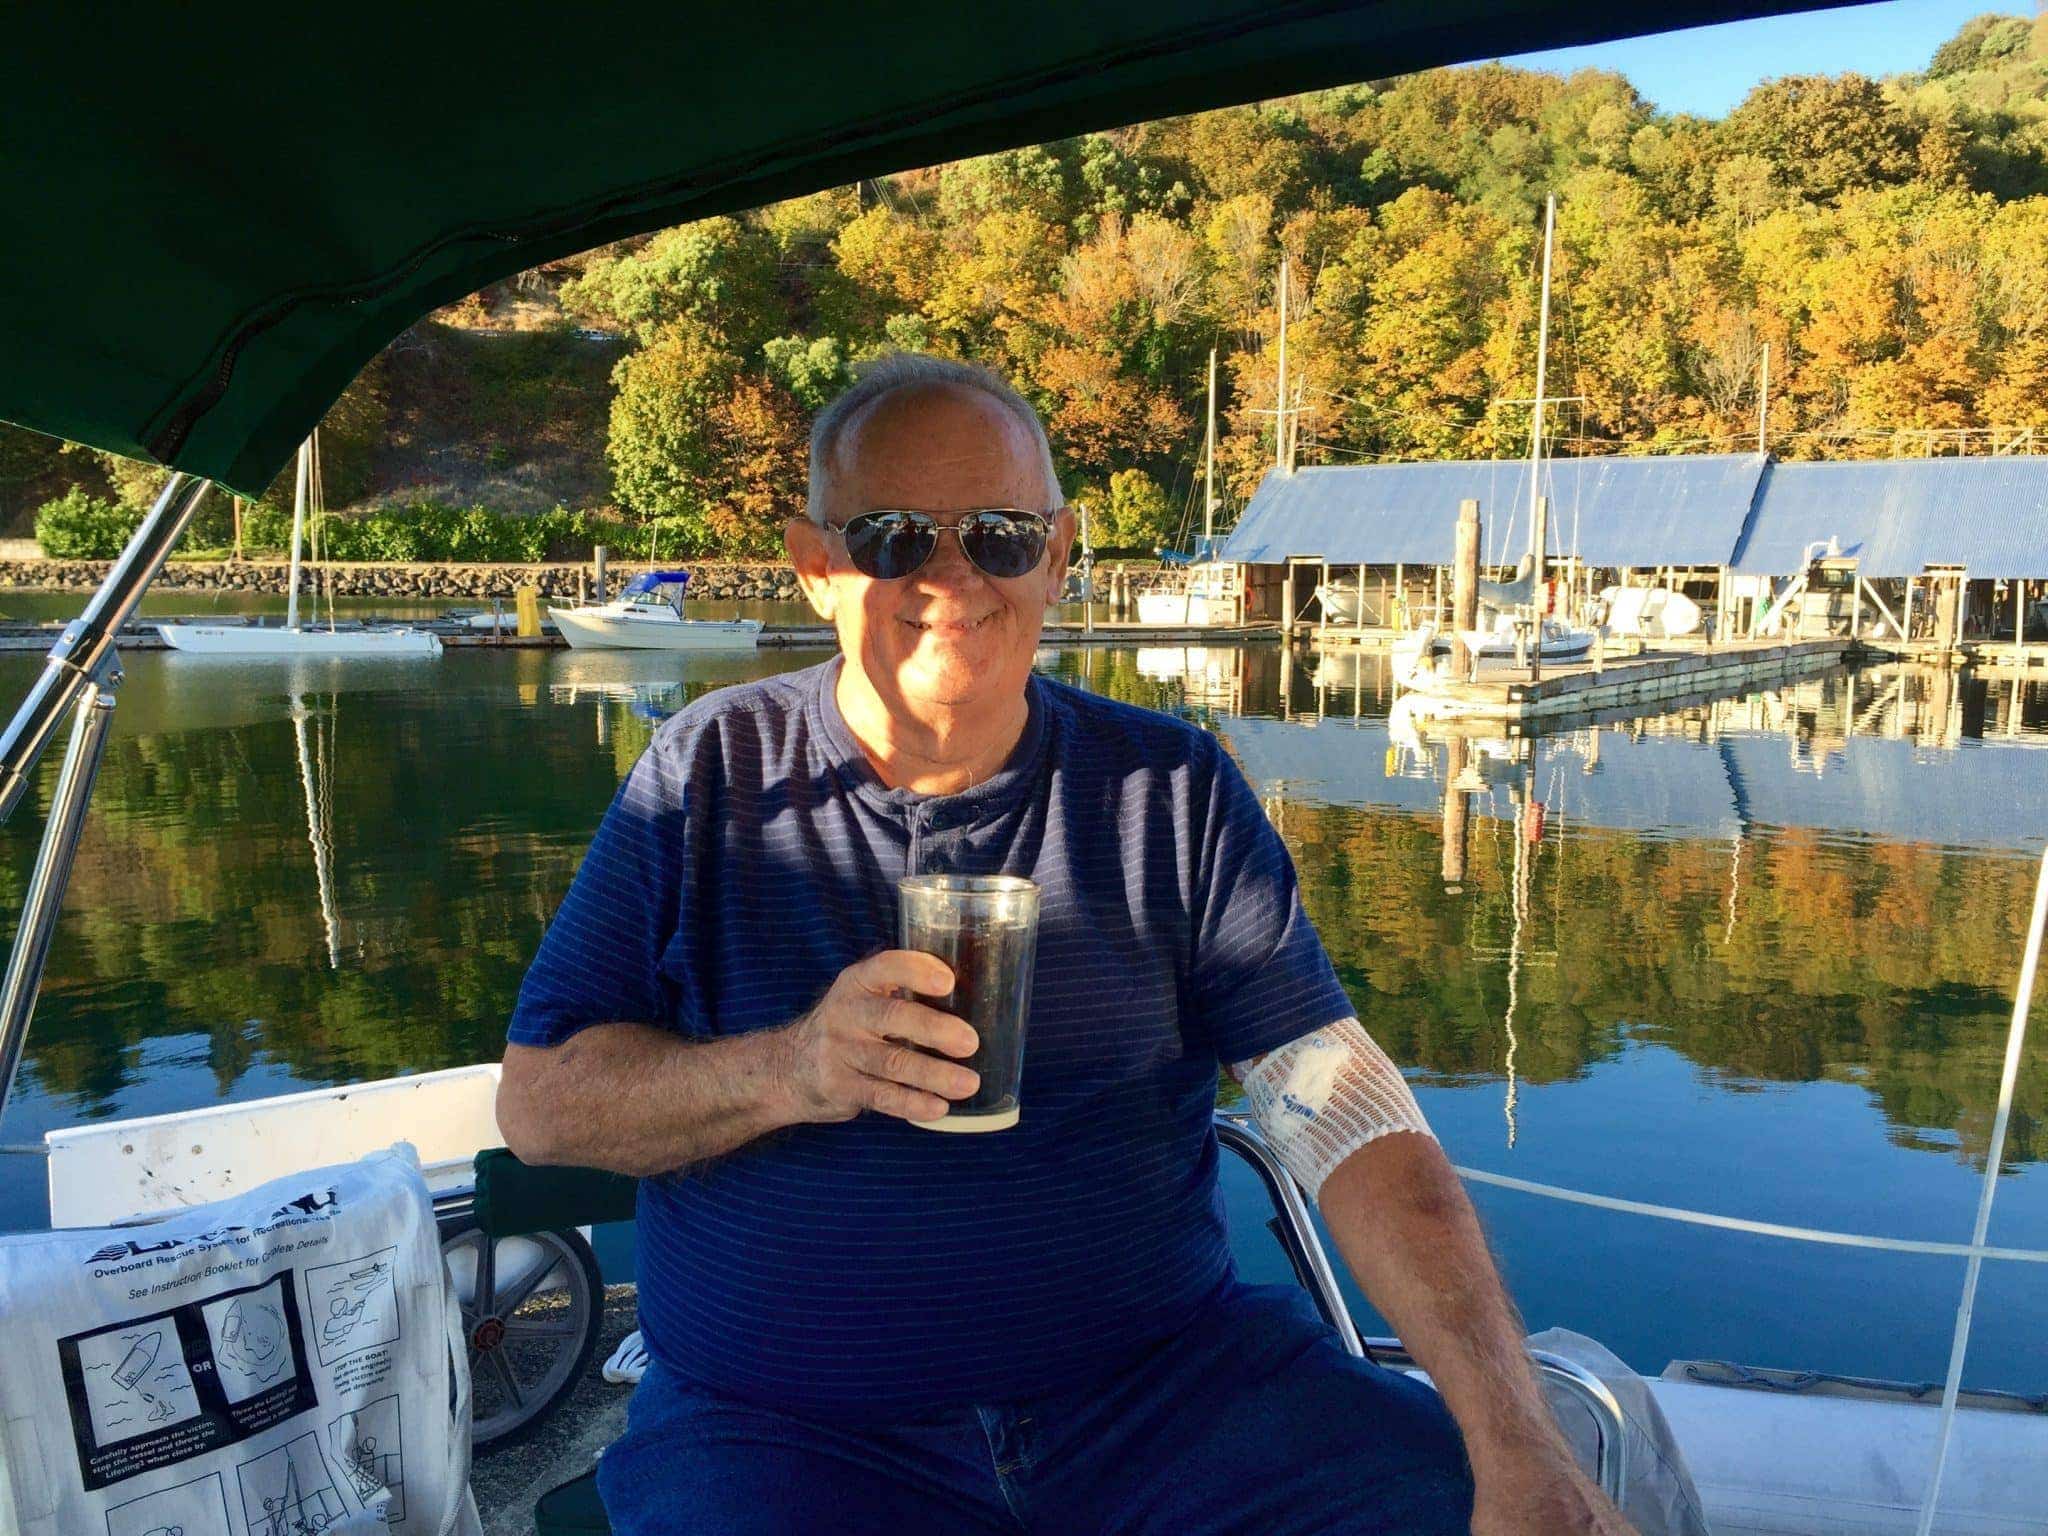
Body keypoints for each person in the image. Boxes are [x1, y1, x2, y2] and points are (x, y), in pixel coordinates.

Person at [497, 353, 1632, 1536]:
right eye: (890, 537)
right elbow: (543, 1107)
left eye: (995, 534)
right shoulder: (709, 773)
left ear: (1056, 554)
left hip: (1170, 1403)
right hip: (785, 1430)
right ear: (816, 565)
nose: (949, 576)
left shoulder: (1167, 790)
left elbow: (1336, 1109)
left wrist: (1517, 1445)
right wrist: (794, 1069)